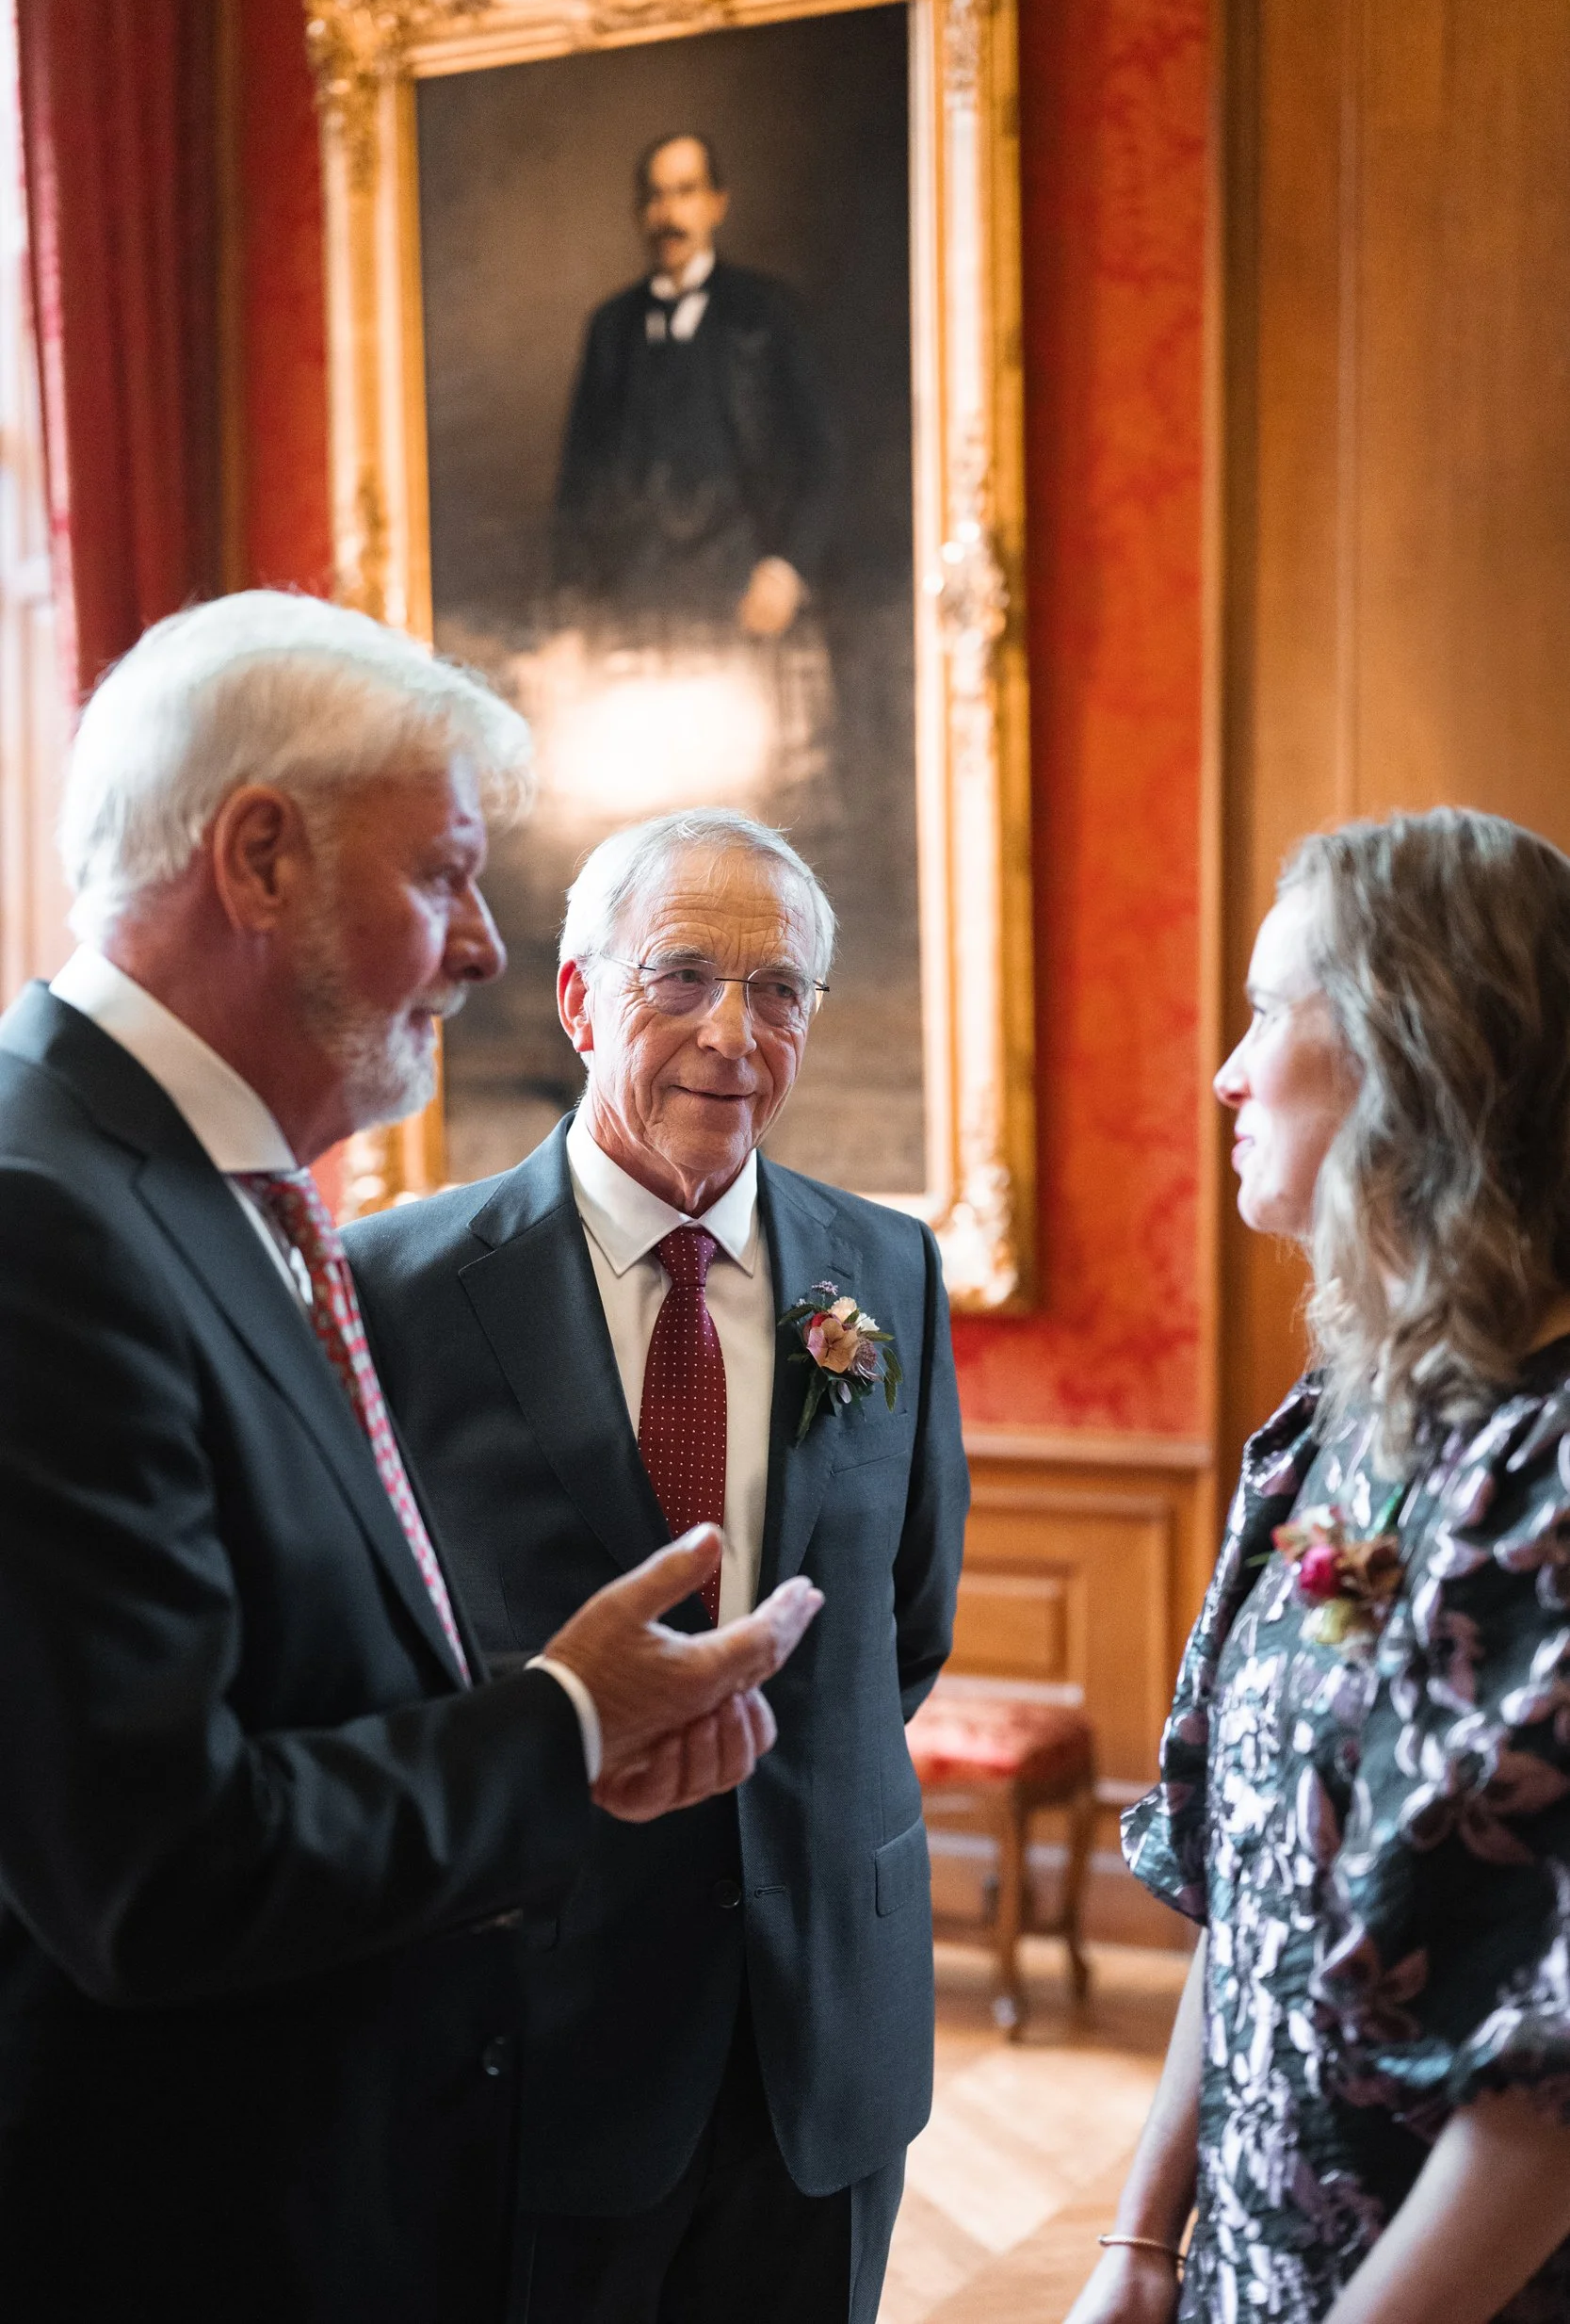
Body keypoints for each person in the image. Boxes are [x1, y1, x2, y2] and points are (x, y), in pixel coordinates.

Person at [0, 593, 825, 2324]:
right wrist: (564, 1721)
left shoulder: (213, 1199)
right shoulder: (42, 1221)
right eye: (443, 873)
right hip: (180, 2232)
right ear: (260, 858)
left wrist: (560, 1750)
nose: (483, 950)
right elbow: (155, 1868)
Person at [345, 805, 968, 2324]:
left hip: (823, 2026)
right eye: (679, 976)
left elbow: (906, 1625)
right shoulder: (397, 1291)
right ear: (575, 999)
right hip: (535, 2027)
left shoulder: (885, 1271)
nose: (731, 1033)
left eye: (778, 993)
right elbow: (374, 1661)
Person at [1068, 808, 1570, 2324]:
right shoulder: (1328, 1433)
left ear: (1416, 1054)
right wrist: (1141, 2242)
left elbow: (1546, 2091)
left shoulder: (1548, 1474)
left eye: (1266, 1012)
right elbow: (1249, 1888)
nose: (1224, 1072)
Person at [551, 134, 838, 638]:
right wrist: (575, 607)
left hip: (746, 595)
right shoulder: (611, 327)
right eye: (655, 196)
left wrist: (787, 569)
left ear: (717, 205)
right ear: (640, 213)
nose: (668, 213)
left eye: (685, 192)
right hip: (636, 605)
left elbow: (822, 457)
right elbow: (579, 483)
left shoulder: (769, 312)